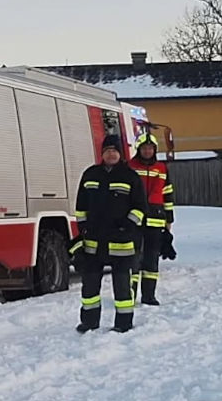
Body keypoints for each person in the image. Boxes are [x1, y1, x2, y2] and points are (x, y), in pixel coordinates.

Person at [71, 134, 148, 333]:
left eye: (114, 151)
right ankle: (89, 322)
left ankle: (123, 323)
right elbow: (80, 205)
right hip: (94, 242)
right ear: (102, 153)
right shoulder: (90, 174)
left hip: (121, 242)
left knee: (122, 286)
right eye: (107, 151)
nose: (111, 154)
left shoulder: (130, 176)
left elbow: (140, 207)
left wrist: (127, 225)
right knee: (89, 286)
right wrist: (83, 227)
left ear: (120, 154)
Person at [128, 132, 175, 306]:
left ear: (154, 150)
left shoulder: (162, 168)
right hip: (134, 221)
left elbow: (167, 194)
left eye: (150, 148)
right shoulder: (129, 166)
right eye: (144, 148)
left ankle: (149, 296)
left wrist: (169, 220)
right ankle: (129, 295)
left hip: (156, 220)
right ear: (138, 149)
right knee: (132, 258)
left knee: (152, 259)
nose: (147, 151)